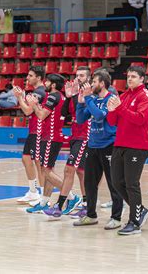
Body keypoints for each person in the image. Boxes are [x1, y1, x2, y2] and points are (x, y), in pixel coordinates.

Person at [107, 66, 148, 235]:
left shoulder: (146, 97)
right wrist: (111, 109)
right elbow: (113, 121)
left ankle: (134, 222)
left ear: (142, 79)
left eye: (134, 76)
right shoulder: (124, 95)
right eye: (128, 76)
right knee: (116, 182)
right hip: (120, 143)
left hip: (137, 146)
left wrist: (119, 108)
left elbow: (140, 119)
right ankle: (140, 210)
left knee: (131, 184)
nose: (130, 79)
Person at [73, 70, 124, 228]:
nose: (91, 84)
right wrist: (81, 103)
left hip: (109, 145)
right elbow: (81, 119)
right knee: (89, 182)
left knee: (113, 183)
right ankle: (90, 215)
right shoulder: (93, 99)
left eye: (94, 81)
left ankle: (116, 217)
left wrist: (88, 98)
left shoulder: (112, 99)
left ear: (102, 83)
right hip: (93, 144)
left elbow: (100, 115)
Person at [43, 68, 93, 220]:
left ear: (88, 78)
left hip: (85, 137)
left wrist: (82, 96)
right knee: (81, 172)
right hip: (75, 136)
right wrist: (70, 96)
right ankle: (86, 205)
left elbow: (88, 114)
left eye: (82, 75)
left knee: (68, 170)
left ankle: (59, 206)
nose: (78, 78)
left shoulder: (91, 94)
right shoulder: (74, 94)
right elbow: (65, 114)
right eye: (77, 75)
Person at [25, 74, 66, 214]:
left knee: (46, 171)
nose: (45, 83)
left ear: (53, 84)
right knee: (48, 170)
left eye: (47, 81)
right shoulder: (60, 96)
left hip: (50, 137)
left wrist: (34, 104)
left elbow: (41, 115)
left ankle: (71, 196)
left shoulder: (53, 96)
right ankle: (44, 201)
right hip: (52, 137)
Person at [13, 66, 45, 204]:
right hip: (33, 130)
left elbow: (27, 111)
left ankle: (44, 196)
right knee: (26, 159)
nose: (27, 78)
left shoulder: (39, 92)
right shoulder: (36, 91)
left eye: (30, 75)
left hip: (38, 131)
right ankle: (33, 192)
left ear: (38, 77)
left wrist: (20, 97)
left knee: (39, 163)